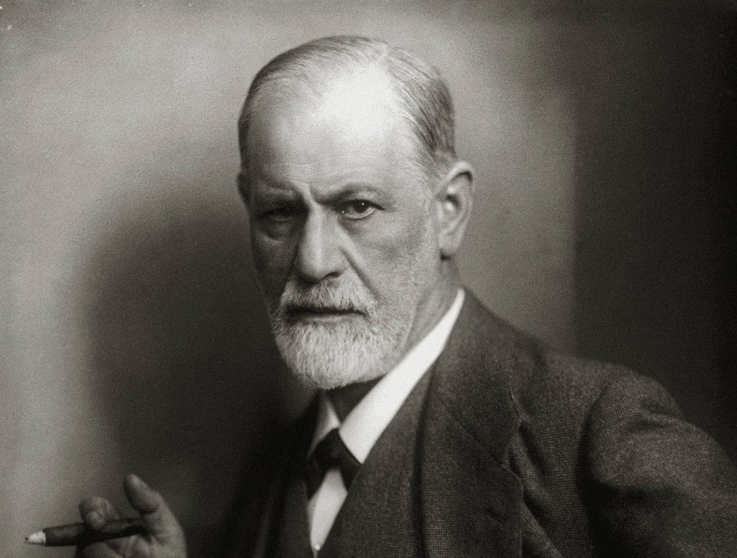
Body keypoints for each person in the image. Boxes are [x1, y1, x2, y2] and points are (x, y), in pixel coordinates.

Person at [76, 36, 737, 558]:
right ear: (249, 206)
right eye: (280, 213)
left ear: (448, 211)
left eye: (357, 207)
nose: (312, 262)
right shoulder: (270, 473)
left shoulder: (599, 435)